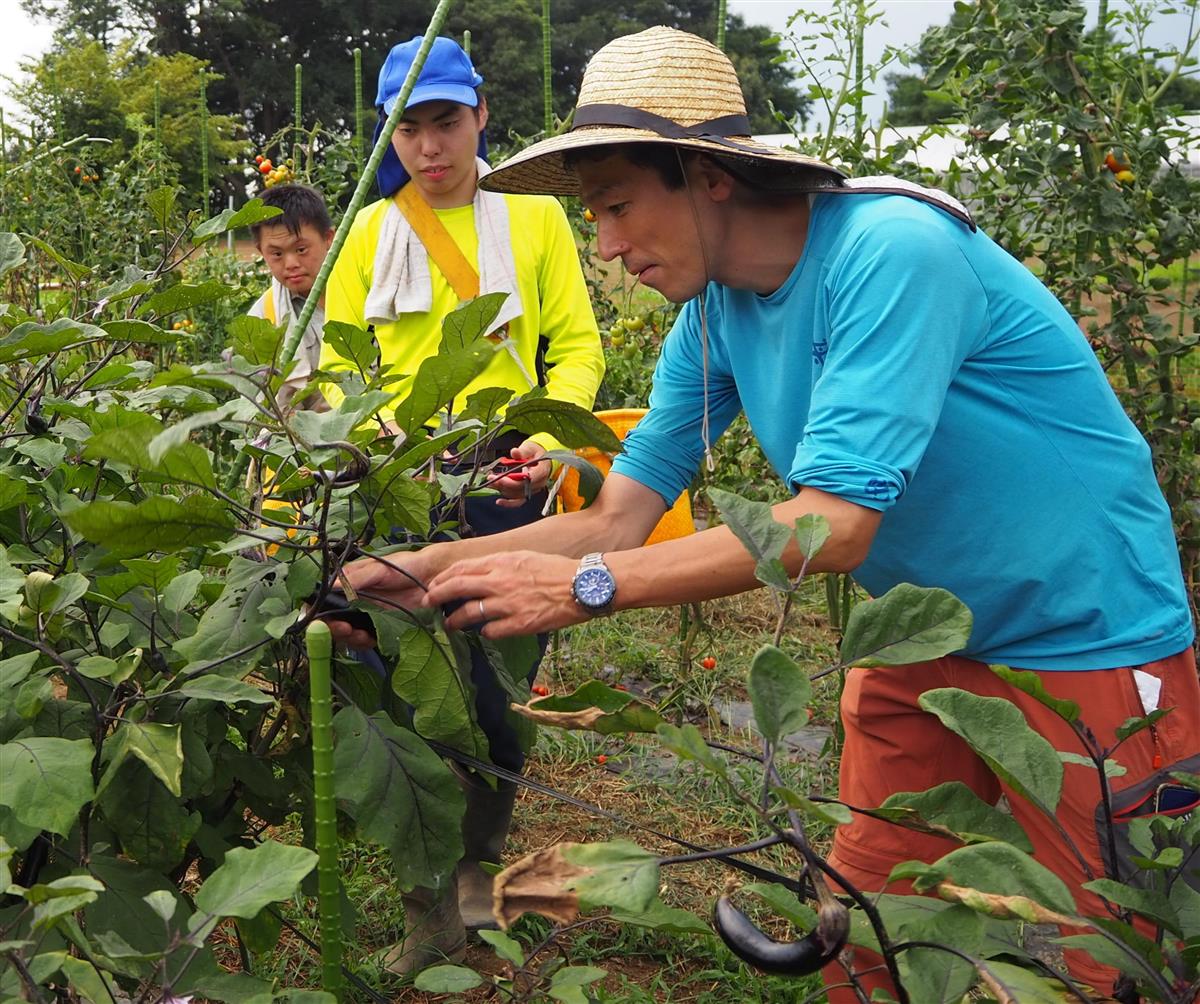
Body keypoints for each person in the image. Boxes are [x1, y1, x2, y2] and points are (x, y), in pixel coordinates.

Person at [331, 26, 1200, 1001]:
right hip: (917, 632)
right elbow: (619, 517)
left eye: (616, 206)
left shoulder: (892, 253)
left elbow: (830, 522)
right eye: (594, 217)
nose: (608, 248)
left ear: (706, 175)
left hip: (1085, 634)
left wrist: (585, 590)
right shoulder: (714, 314)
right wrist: (427, 565)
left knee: (1116, 948)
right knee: (869, 926)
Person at [319, 35, 605, 976]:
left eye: (445, 120)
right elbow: (335, 364)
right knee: (402, 695)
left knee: (498, 694)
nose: (429, 145)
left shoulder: (534, 223)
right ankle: (425, 911)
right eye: (408, 127)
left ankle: (479, 887)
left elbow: (576, 350)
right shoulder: (367, 234)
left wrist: (551, 441)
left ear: (480, 114)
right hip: (400, 484)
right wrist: (367, 437)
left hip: (507, 480)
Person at [247, 183, 335, 410]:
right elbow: (270, 413)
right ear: (261, 252)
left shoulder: (365, 291)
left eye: (301, 249)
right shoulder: (264, 317)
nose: (291, 264)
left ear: (329, 238)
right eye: (276, 254)